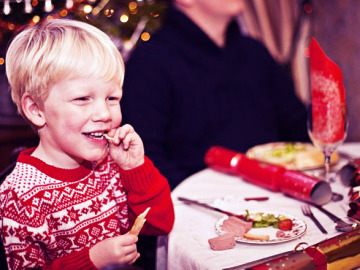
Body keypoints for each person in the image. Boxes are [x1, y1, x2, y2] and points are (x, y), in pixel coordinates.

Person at [0, 19, 174, 270]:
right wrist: (92, 261)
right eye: (82, 98)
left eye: (112, 98)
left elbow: (161, 224)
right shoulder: (20, 196)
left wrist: (135, 168)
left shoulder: (111, 164)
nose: (104, 113)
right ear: (36, 110)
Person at [122, 0, 309, 190]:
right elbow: (146, 159)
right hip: (201, 206)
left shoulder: (254, 52)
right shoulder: (150, 62)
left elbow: (300, 126)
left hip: (277, 193)